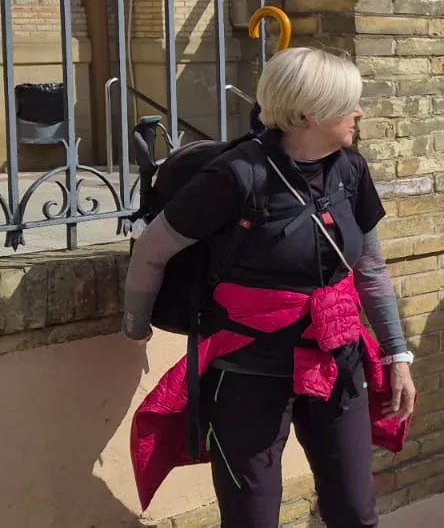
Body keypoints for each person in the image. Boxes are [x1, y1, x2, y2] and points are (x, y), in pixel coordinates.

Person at [124, 47, 415, 527]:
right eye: (349, 103)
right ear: (308, 113)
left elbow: (371, 269)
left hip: (335, 358)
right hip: (247, 373)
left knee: (356, 513)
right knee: (251, 518)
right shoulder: (235, 176)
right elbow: (152, 250)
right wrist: (136, 326)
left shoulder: (351, 169)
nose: (359, 112)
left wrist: (397, 355)